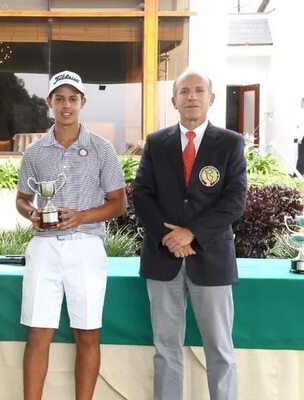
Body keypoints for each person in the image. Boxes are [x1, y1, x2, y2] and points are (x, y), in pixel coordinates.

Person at [132, 69, 247, 400]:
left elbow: (234, 201)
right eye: (185, 91)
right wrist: (171, 237)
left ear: (211, 99)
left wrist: (191, 234)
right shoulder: (156, 142)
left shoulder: (230, 143)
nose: (192, 96)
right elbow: (141, 194)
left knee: (220, 348)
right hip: (162, 257)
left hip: (211, 258)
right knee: (166, 348)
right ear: (174, 100)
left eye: (199, 90)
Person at [15, 70, 127, 400]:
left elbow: (118, 203)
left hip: (87, 247)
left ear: (83, 102)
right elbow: (22, 199)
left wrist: (80, 217)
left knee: (87, 333)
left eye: (73, 99)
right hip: (44, 247)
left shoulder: (102, 149)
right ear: (49, 102)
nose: (66, 105)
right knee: (38, 333)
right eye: (60, 98)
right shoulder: (34, 152)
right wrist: (31, 213)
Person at [295, 97, 304, 174]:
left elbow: (302, 127)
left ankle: (297, 175)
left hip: (302, 138)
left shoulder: (302, 113)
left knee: (301, 157)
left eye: (301, 102)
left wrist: (299, 139)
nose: (300, 104)